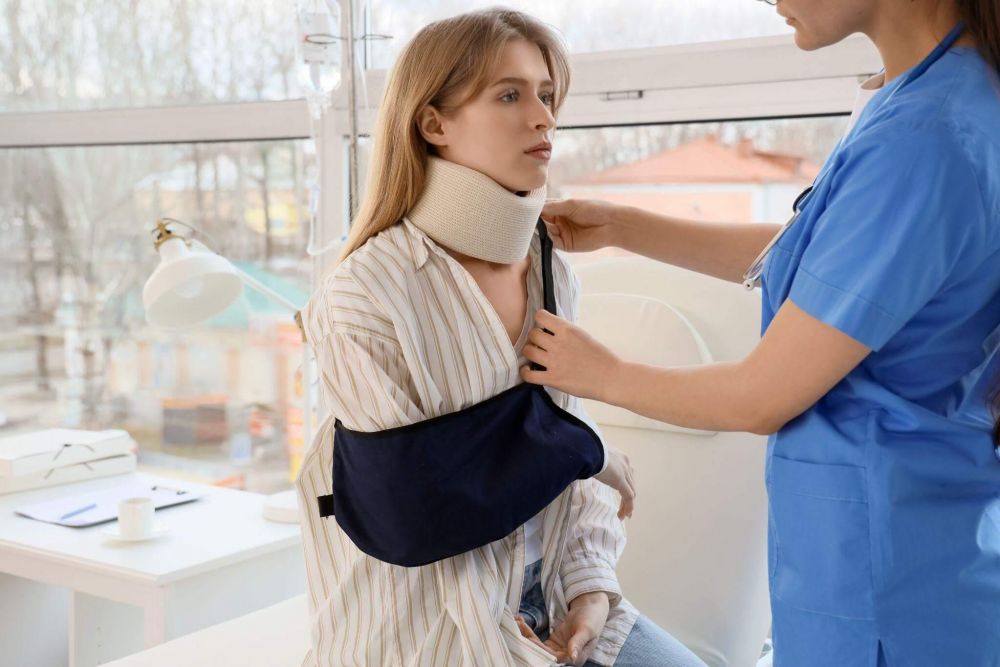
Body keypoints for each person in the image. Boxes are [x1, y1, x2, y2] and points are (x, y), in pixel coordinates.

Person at [521, 1, 1000, 665]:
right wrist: (625, 226)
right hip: (899, 556)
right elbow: (822, 257)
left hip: (889, 592)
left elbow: (760, 395)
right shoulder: (936, 91)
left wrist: (599, 372)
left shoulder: (926, 135)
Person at [293, 9, 705, 667]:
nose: (543, 117)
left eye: (546, 94)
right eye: (510, 95)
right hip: (423, 632)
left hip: (552, 597)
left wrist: (591, 589)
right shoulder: (364, 296)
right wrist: (588, 451)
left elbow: (556, 453)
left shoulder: (551, 271)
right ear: (434, 123)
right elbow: (417, 508)